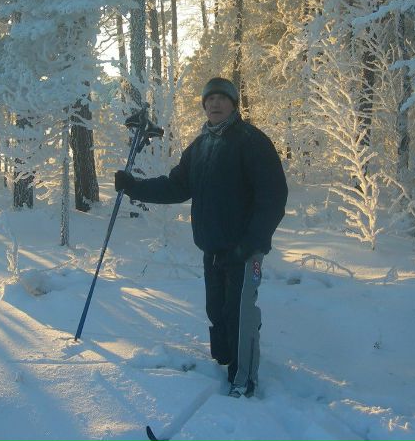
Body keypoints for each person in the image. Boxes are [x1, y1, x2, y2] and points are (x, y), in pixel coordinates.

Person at [115, 77, 288, 398]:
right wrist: (134, 187)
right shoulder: (200, 147)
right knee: (217, 310)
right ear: (204, 105)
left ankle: (243, 379)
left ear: (234, 104)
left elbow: (274, 195)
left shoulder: (250, 140)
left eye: (222, 98)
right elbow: (176, 185)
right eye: (210, 99)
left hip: (244, 249)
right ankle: (227, 362)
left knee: (240, 315)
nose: (215, 104)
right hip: (212, 246)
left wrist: (253, 242)